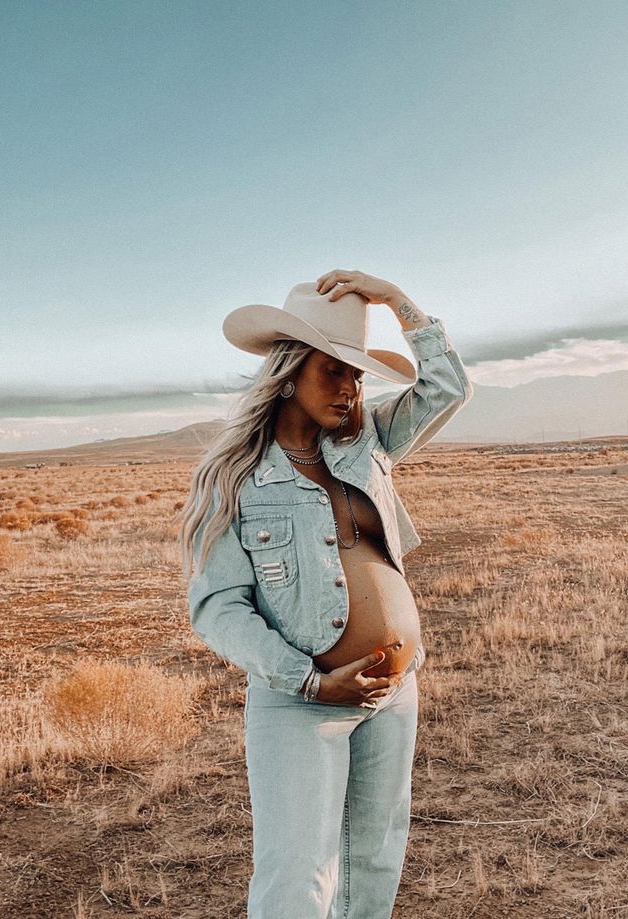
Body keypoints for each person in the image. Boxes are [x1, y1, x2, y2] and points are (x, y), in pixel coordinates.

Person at [177, 269, 473, 918]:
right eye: (332, 370)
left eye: (359, 373)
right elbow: (217, 605)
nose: (349, 388)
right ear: (287, 371)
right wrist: (310, 682)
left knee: (372, 870)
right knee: (295, 886)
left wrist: (394, 297)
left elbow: (448, 385)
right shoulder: (235, 476)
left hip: (395, 696)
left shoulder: (367, 438)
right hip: (300, 705)